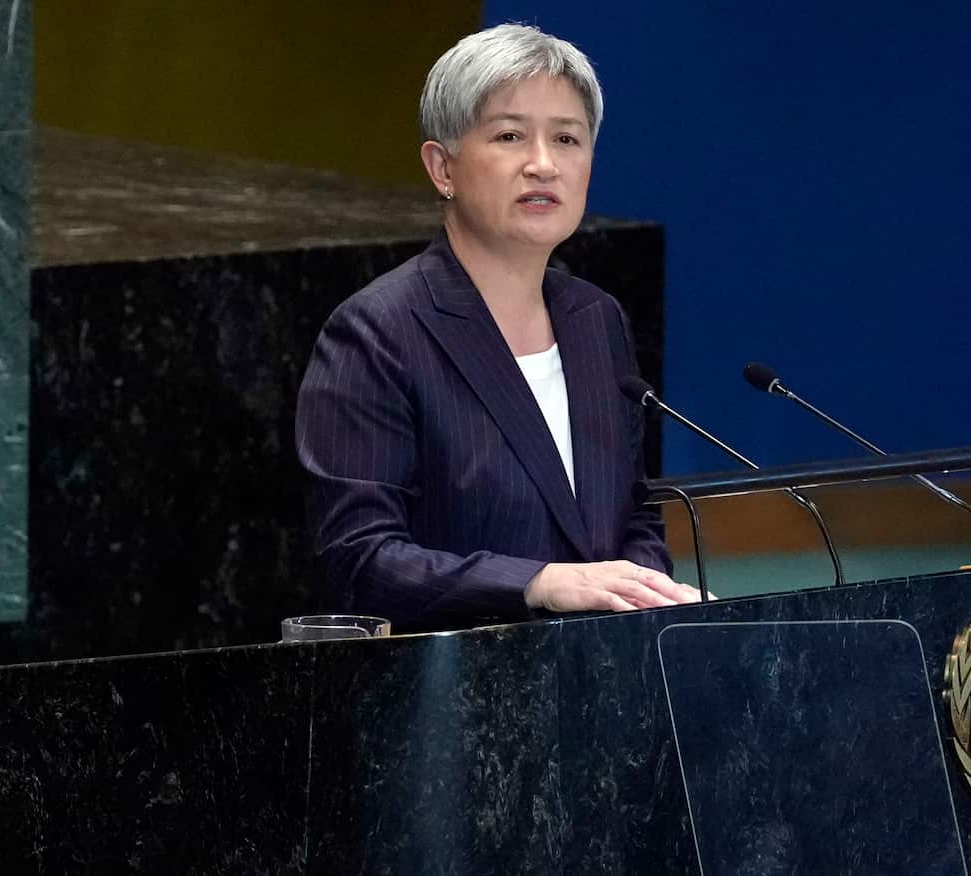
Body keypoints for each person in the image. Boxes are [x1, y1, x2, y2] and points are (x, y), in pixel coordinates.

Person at [295, 23, 699, 632]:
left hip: (602, 686)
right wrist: (537, 583)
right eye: (510, 136)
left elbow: (633, 517)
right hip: (453, 698)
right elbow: (359, 559)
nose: (543, 164)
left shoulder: (597, 320)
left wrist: (640, 593)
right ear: (442, 168)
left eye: (568, 138)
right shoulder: (379, 332)